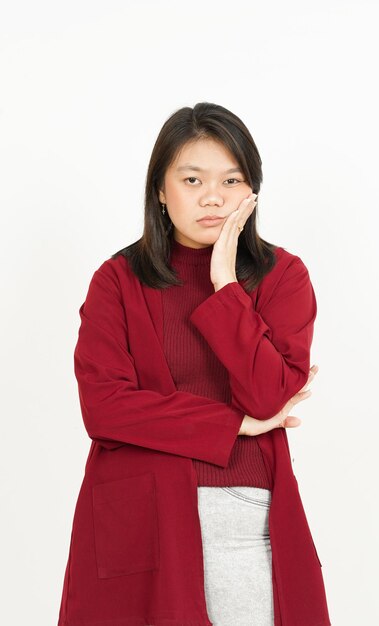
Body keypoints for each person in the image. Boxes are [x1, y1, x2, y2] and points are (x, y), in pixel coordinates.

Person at [57, 102, 331, 626]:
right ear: (160, 190)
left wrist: (225, 283)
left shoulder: (281, 277)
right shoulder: (117, 281)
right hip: (141, 519)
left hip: (244, 516)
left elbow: (269, 396)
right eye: (191, 178)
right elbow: (105, 409)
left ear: (252, 191)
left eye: (232, 179)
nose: (212, 196)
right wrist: (233, 425)